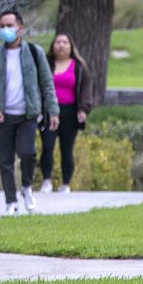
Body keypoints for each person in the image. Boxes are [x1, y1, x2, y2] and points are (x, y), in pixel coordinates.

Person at [0, 10, 59, 215]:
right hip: (3, 115)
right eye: (2, 26)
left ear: (20, 28)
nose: (5, 30)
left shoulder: (34, 52)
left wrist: (53, 111)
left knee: (28, 153)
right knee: (5, 160)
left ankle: (26, 186)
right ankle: (10, 201)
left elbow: (47, 83)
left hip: (28, 114)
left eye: (9, 25)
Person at [38, 33, 92, 193]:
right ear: (53, 46)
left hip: (70, 113)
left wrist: (83, 109)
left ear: (71, 46)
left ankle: (66, 184)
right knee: (47, 146)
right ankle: (46, 181)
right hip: (48, 113)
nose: (61, 45)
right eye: (58, 42)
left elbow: (86, 90)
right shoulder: (46, 65)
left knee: (66, 149)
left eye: (65, 42)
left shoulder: (79, 67)